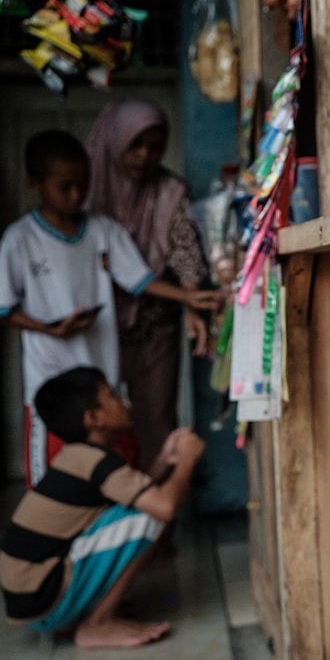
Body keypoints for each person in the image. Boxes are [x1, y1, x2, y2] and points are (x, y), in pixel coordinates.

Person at [0, 130, 222, 486]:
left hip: (102, 378)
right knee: (55, 480)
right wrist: (51, 329)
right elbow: (2, 309)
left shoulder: (102, 230)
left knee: (116, 476)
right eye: (65, 187)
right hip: (50, 383)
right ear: (35, 184)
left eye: (83, 185)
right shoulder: (19, 240)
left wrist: (187, 298)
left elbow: (138, 279)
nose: (77, 195)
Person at [0, 366, 206, 648]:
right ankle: (97, 624)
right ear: (94, 418)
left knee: (139, 510)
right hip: (42, 596)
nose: (124, 401)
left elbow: (133, 490)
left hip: (31, 599)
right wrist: (187, 461)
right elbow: (164, 506)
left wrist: (164, 459)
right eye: (113, 396)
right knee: (148, 516)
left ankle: (92, 612)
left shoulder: (81, 457)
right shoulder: (98, 462)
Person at [85, 99, 217, 476]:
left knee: (155, 420)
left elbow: (185, 252)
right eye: (136, 145)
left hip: (154, 325)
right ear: (116, 142)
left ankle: (157, 524)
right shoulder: (84, 189)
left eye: (155, 147)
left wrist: (193, 304)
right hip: (97, 325)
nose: (145, 156)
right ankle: (107, 521)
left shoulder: (171, 192)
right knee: (100, 423)